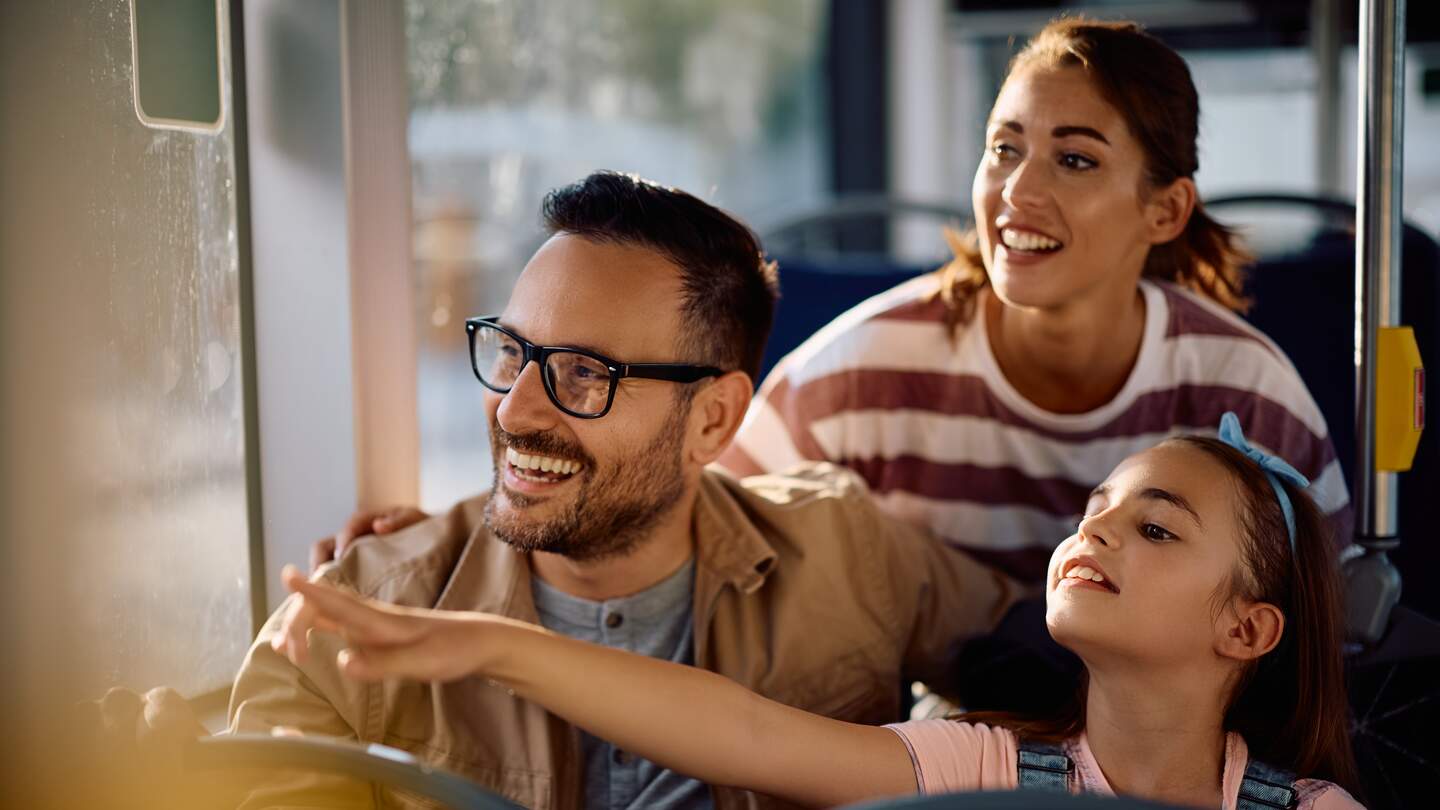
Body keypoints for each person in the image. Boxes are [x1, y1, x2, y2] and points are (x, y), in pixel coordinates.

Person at [101, 171, 1018, 810]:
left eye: (584, 374)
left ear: (715, 419)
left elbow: (1070, 696)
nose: (516, 411)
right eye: (512, 352)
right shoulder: (339, 631)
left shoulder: (847, 550)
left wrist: (925, 748)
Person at [278, 414, 1364, 809]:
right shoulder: (980, 771)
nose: (1098, 535)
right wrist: (492, 646)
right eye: (1094, 511)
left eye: (1157, 529)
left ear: (1248, 631)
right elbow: (741, 733)